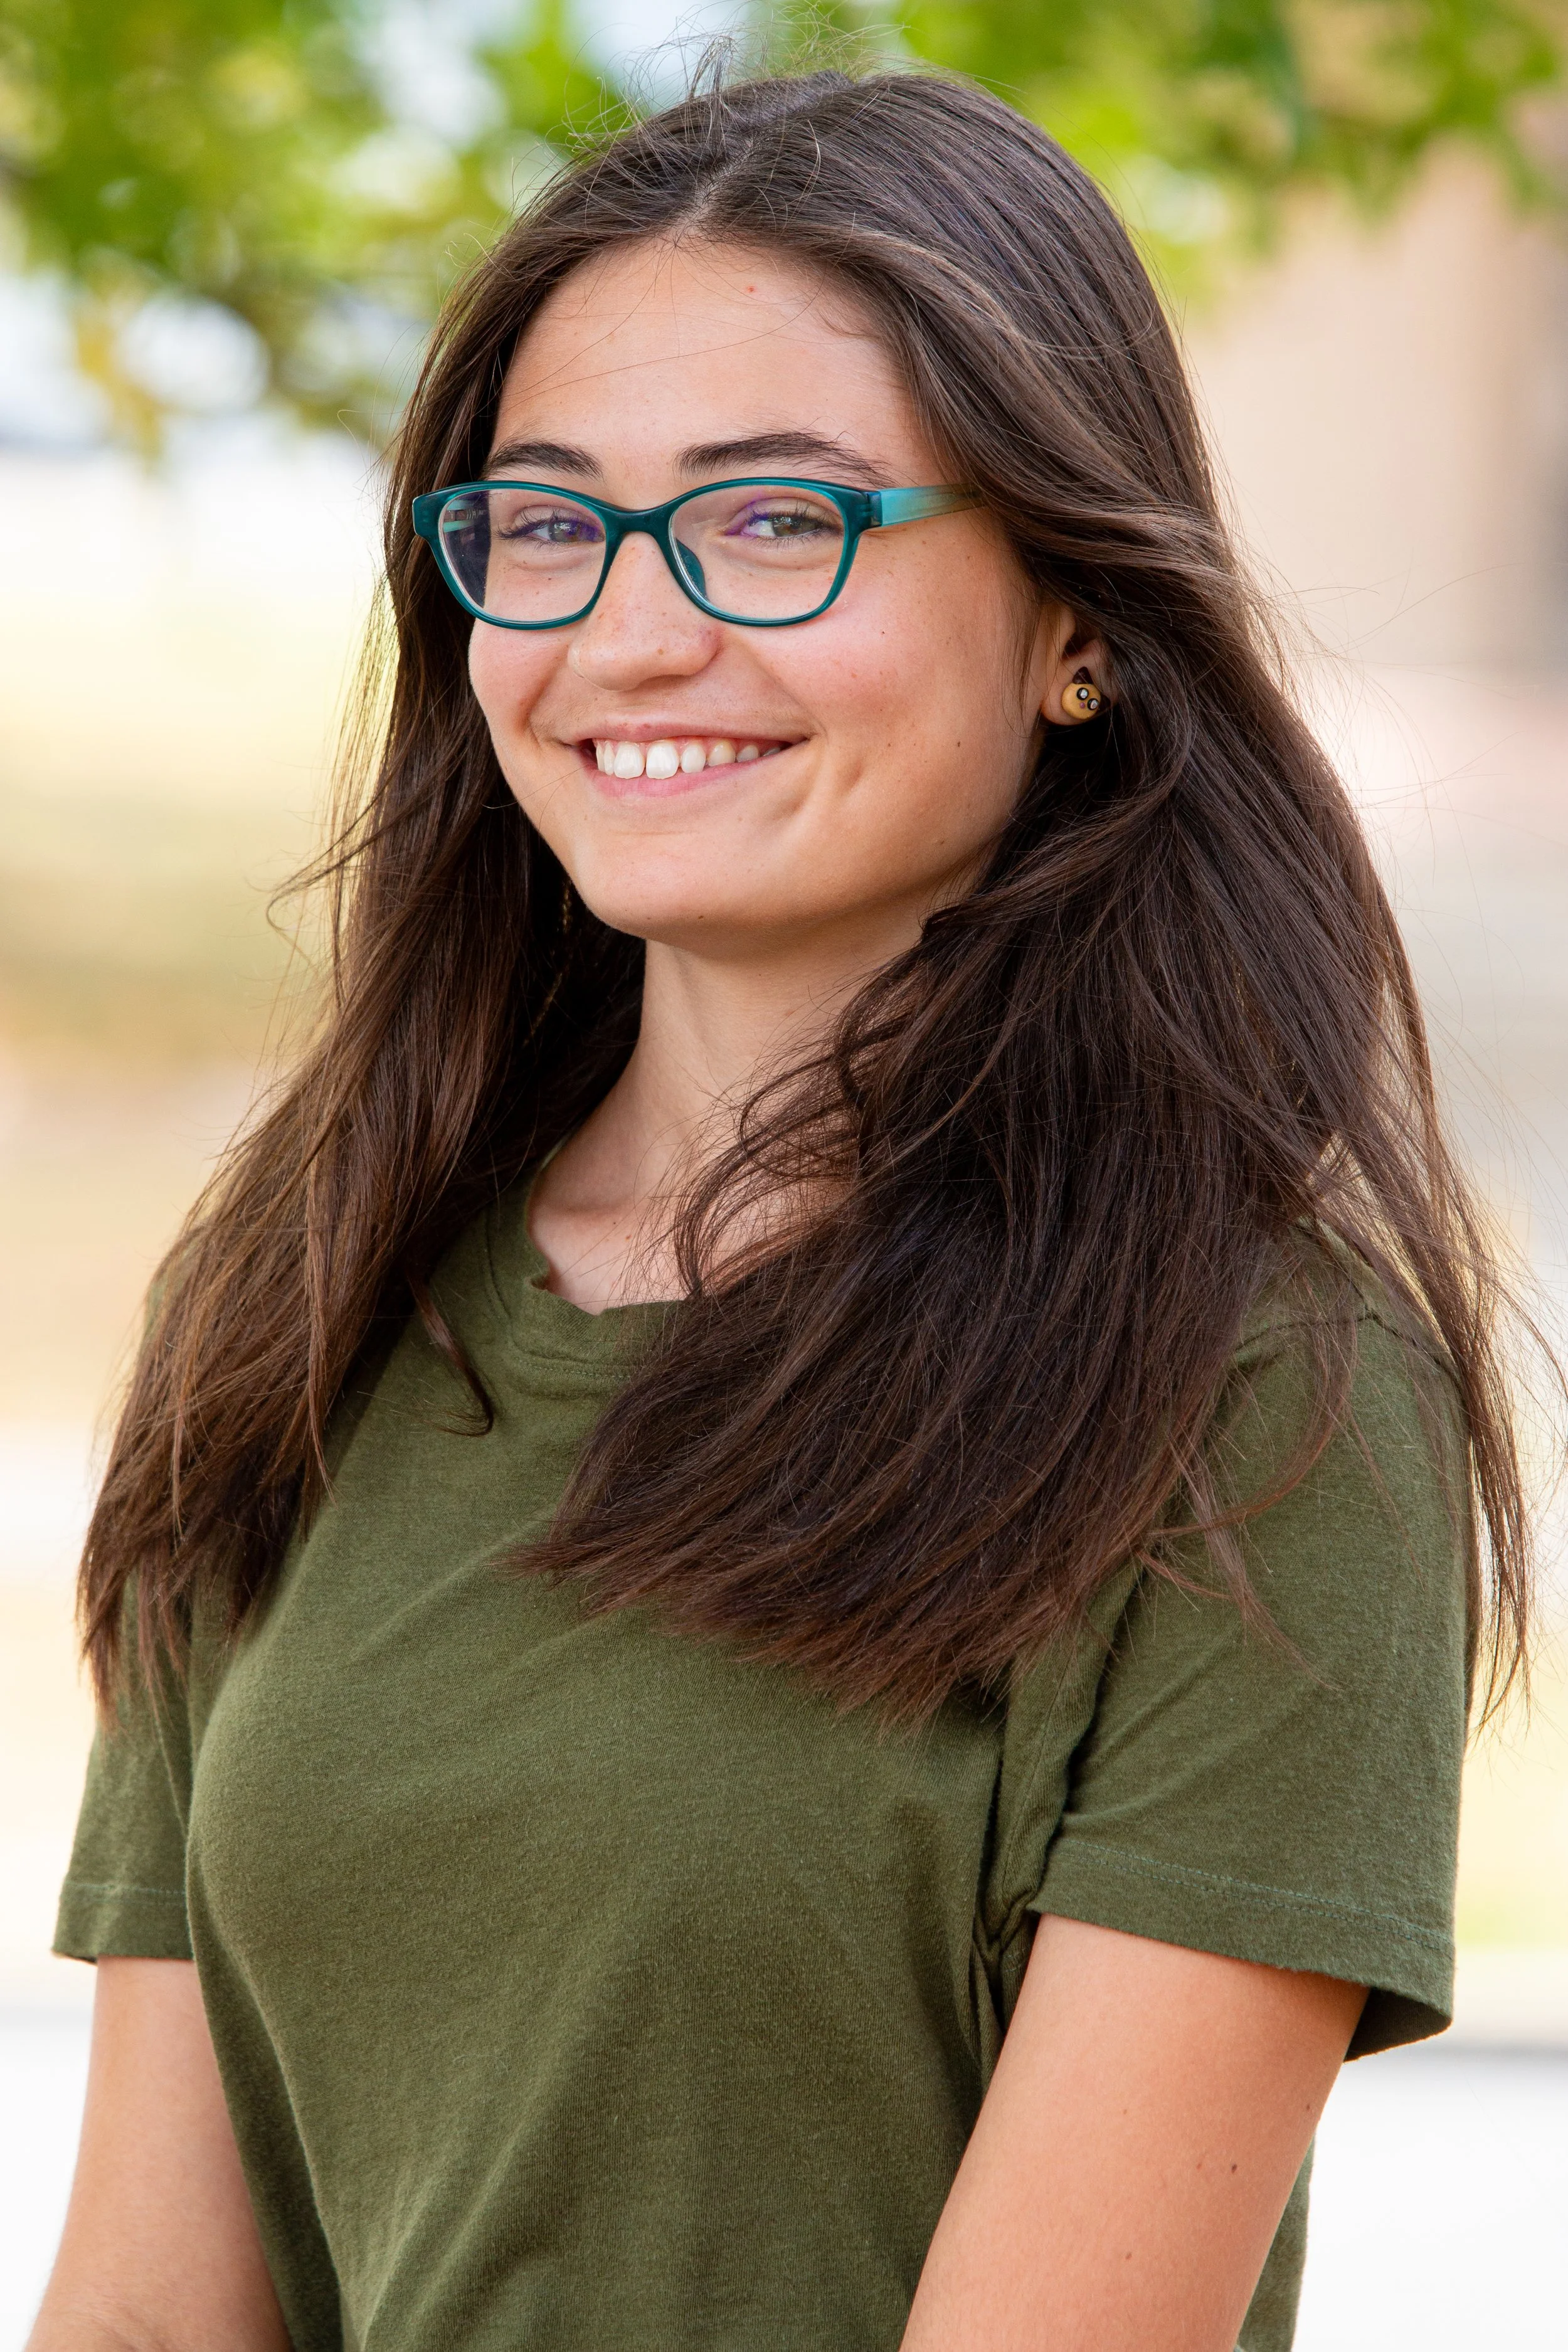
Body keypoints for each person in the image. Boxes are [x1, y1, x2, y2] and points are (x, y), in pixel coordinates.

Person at [31, 63, 1530, 2352]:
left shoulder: (1260, 1394)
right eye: (544, 528)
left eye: (772, 523)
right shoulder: (306, 1288)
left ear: (1077, 621)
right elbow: (146, 2311)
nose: (627, 634)